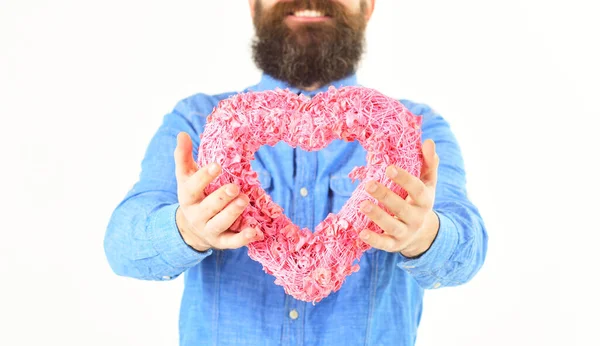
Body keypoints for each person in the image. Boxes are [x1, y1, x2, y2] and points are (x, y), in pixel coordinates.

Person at [104, 0, 488, 345]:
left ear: (367, 6)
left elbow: (467, 249)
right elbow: (122, 246)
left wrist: (424, 235)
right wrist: (187, 229)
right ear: (252, 6)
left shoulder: (414, 131)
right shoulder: (198, 120)